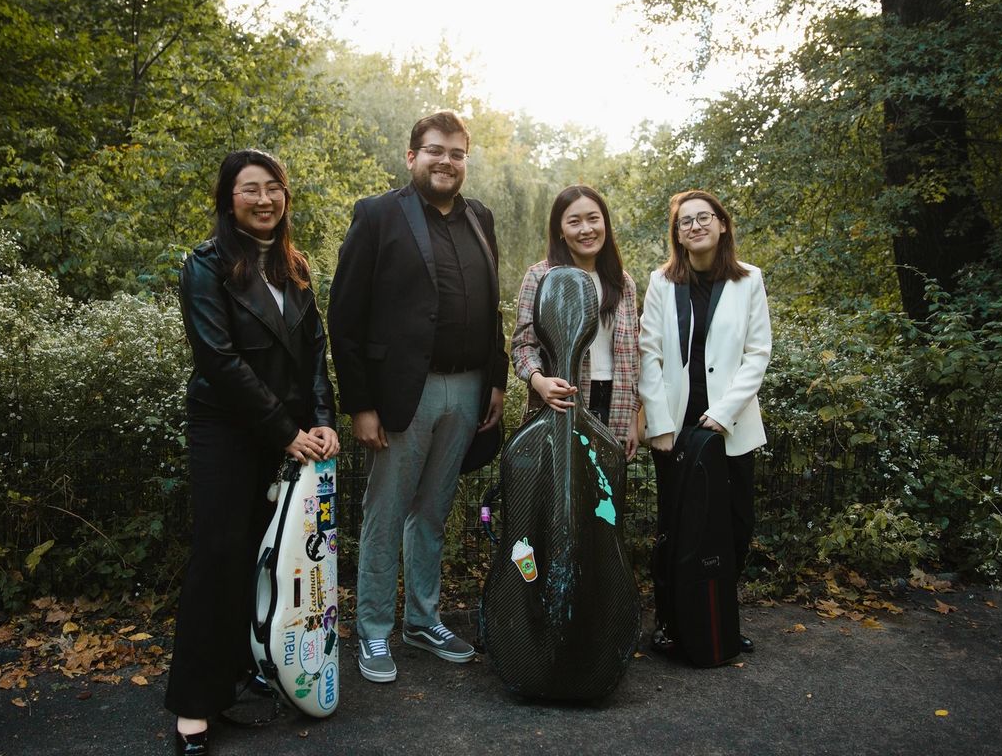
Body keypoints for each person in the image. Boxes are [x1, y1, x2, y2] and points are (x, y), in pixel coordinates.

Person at [166, 150, 339, 755]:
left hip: (288, 432)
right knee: (219, 555)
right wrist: (284, 431)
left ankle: (244, 674)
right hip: (228, 429)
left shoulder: (296, 266)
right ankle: (193, 705)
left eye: (273, 189)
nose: (264, 200)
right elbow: (219, 360)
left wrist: (321, 422)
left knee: (273, 555)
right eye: (249, 190)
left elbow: (316, 354)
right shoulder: (205, 266)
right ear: (227, 198)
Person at [329, 110, 508, 683]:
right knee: (385, 515)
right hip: (404, 394)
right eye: (435, 151)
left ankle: (422, 621)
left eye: (457, 153)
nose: (446, 162)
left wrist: (498, 378)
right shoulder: (379, 215)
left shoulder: (480, 217)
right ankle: (375, 632)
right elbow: (345, 315)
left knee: (431, 513)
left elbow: (493, 303)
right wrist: (360, 404)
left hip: (468, 387)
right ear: (412, 157)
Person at [638, 189, 772, 654]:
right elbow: (648, 353)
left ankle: (717, 617)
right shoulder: (661, 282)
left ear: (722, 225)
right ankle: (672, 622)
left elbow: (758, 353)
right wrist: (658, 421)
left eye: (703, 218)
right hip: (675, 428)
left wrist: (722, 414)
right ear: (676, 233)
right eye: (684, 221)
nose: (694, 226)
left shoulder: (749, 280)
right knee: (676, 529)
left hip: (730, 427)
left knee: (735, 526)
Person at [511, 184, 640, 458]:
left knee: (603, 495)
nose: (586, 229)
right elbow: (523, 346)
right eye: (574, 221)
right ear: (560, 229)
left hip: (613, 403)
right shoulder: (541, 277)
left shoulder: (622, 283)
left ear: (605, 222)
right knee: (558, 492)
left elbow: (633, 357)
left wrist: (632, 417)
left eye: (593, 219)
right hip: (560, 400)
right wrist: (539, 381)